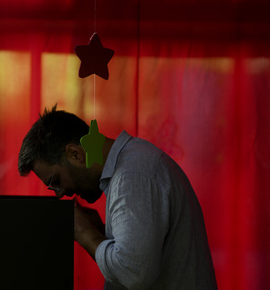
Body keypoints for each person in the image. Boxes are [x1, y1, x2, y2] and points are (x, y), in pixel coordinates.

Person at [18, 106, 218, 290]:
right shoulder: (132, 167)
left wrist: (84, 231)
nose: (60, 193)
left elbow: (133, 273)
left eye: (56, 181)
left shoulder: (132, 176)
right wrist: (103, 234)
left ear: (75, 154)